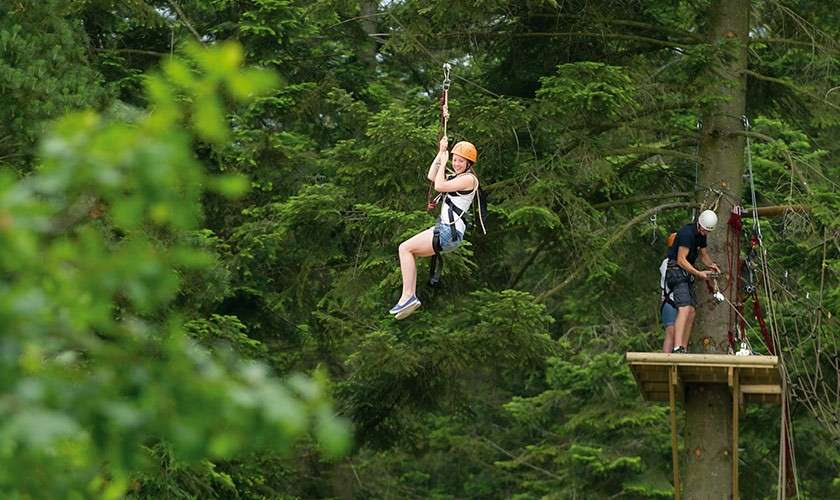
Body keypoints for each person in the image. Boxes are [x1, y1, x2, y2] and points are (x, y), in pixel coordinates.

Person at [389, 136, 479, 320]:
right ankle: (409, 297)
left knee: (404, 248)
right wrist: (441, 153)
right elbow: (432, 176)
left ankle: (408, 296)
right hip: (448, 233)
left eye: (461, 161)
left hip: (448, 232)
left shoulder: (469, 180)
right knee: (409, 251)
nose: (456, 164)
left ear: (469, 164)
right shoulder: (457, 177)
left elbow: (439, 185)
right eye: (455, 160)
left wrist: (444, 161)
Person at [665, 210, 721, 353]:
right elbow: (681, 260)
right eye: (704, 230)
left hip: (685, 272)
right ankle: (677, 347)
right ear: (699, 224)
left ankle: (683, 347)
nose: (705, 233)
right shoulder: (687, 233)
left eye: (708, 231)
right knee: (684, 308)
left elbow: (703, 255)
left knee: (691, 311)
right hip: (676, 270)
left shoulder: (702, 235)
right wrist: (698, 273)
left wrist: (711, 265)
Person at [659, 232, 677, 353]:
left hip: (680, 302)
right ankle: (666, 359)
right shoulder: (667, 263)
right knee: (671, 333)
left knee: (678, 335)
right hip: (670, 301)